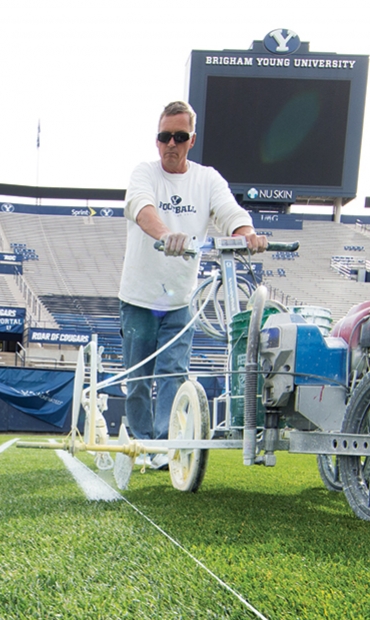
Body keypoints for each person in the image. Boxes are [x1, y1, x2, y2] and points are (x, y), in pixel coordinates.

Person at [118, 100, 265, 464]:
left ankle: (164, 450)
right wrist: (167, 234)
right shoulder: (145, 173)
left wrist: (247, 233)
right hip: (139, 298)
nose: (171, 143)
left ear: (191, 139)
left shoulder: (207, 178)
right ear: (157, 140)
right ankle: (141, 444)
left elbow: (231, 213)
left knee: (172, 374)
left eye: (179, 137)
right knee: (138, 379)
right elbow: (140, 207)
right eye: (165, 136)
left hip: (180, 300)